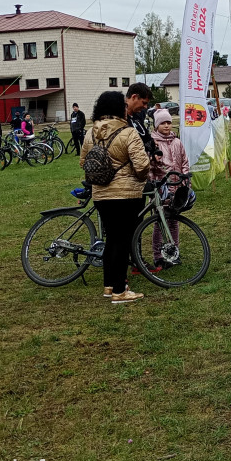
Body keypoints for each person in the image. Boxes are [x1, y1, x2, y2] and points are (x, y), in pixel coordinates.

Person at [80, 91, 152, 304]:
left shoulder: (90, 134)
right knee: (122, 242)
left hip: (101, 194)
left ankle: (109, 286)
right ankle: (120, 291)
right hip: (126, 194)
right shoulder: (128, 133)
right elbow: (141, 166)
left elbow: (84, 163)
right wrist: (137, 176)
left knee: (111, 240)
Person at [148, 108, 190, 268]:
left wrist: (185, 179)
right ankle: (158, 255)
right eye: (163, 123)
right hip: (161, 189)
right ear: (156, 125)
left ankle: (174, 252)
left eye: (169, 122)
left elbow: (185, 162)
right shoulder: (153, 142)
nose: (166, 126)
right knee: (159, 223)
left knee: (173, 222)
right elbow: (150, 167)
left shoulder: (177, 142)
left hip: (177, 188)